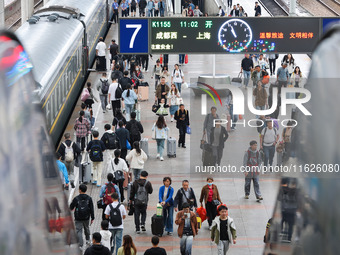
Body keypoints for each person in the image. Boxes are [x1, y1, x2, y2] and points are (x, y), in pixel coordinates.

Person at [70, 184, 95, 250]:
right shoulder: (89, 198)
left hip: (78, 218)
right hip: (86, 217)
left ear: (80, 190)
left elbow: (71, 207)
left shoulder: (76, 198)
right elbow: (92, 208)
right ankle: (88, 240)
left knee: (79, 231)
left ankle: (80, 245)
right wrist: (92, 217)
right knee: (86, 228)